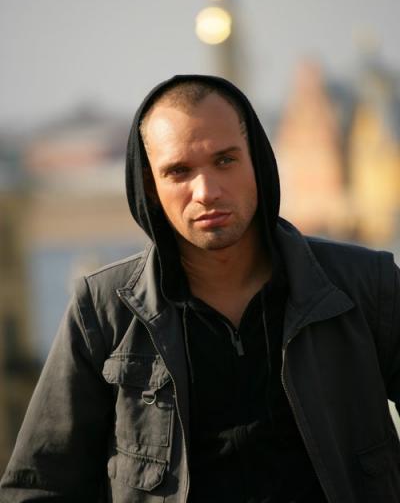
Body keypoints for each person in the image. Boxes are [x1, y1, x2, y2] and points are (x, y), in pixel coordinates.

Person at [1, 74, 400, 503]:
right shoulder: (102, 310)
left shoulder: (363, 284)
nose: (207, 191)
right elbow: (39, 485)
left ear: (258, 162)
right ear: (150, 187)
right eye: (179, 171)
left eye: (225, 160)